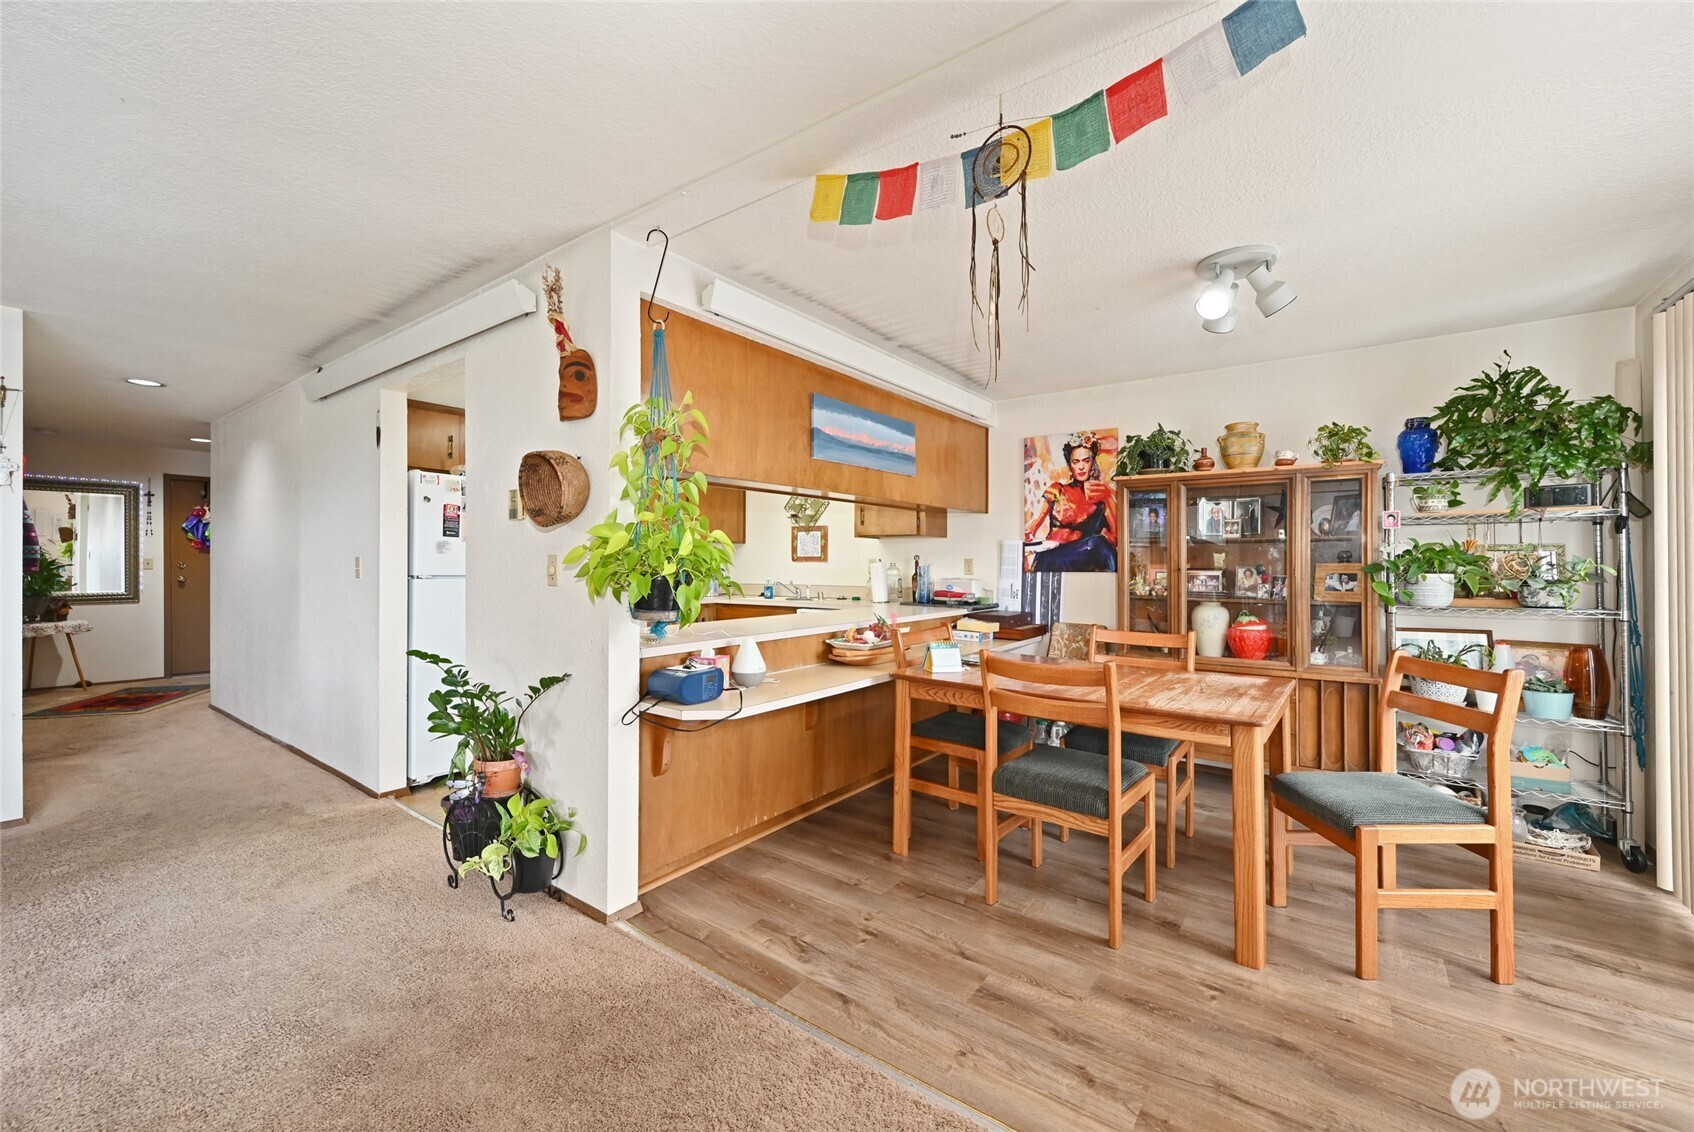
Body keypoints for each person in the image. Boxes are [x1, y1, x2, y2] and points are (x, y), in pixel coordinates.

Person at [1025, 432, 1117, 571]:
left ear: (1092, 463)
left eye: (1086, 461)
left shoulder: (1101, 495)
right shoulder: (1057, 490)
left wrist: (1108, 498)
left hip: (1082, 561)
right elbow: (1033, 526)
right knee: (1099, 544)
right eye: (1076, 462)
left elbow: (1116, 539)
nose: (1081, 467)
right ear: (1070, 465)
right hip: (1052, 558)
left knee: (1101, 544)